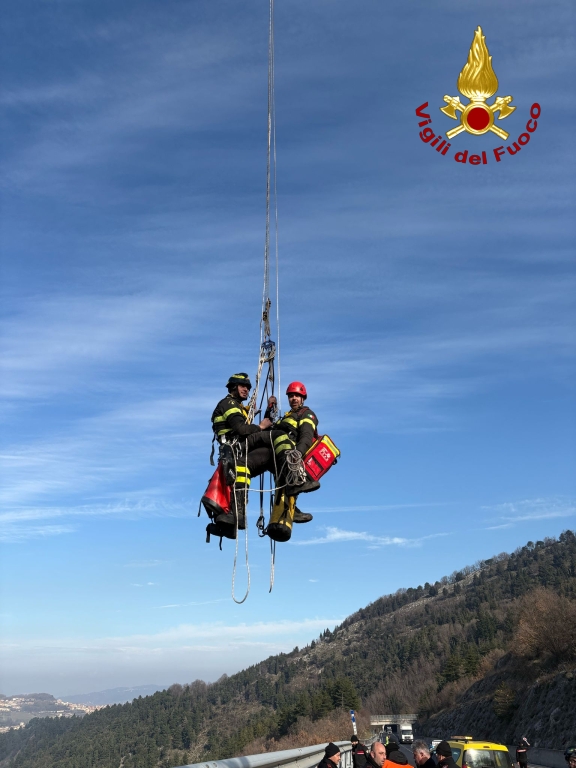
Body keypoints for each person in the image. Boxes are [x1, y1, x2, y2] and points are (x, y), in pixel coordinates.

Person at [206, 373, 273, 535]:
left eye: (248, 388)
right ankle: (235, 516)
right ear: (233, 387)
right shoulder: (229, 404)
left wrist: (269, 410)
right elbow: (242, 430)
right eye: (243, 386)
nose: (246, 390)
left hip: (233, 450)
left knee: (242, 472)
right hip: (234, 447)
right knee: (273, 437)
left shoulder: (238, 407)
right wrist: (262, 427)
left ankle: (234, 519)